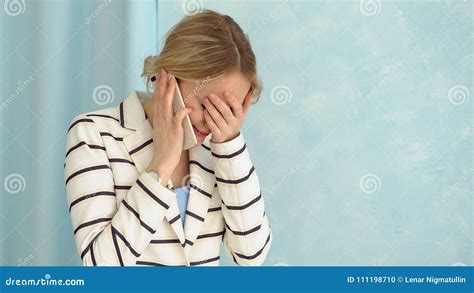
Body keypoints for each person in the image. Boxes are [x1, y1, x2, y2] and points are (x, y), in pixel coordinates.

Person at [64, 9, 271, 266]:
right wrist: (159, 167)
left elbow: (251, 256)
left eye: (227, 109)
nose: (212, 121)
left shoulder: (218, 150)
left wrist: (230, 147)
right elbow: (101, 268)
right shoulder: (94, 134)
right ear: (168, 78)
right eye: (206, 105)